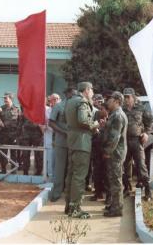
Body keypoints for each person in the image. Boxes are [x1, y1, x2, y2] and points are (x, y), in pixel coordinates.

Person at [64, 81, 99, 218]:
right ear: (86, 90)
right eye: (92, 90)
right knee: (79, 177)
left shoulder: (70, 101)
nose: (93, 93)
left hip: (72, 142)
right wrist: (96, 125)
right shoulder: (82, 102)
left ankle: (69, 206)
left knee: (71, 176)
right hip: (82, 143)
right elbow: (83, 120)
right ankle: (75, 209)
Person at [122, 88, 153, 201]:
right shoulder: (122, 109)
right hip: (125, 141)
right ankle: (127, 187)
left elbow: (150, 120)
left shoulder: (141, 108)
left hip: (137, 140)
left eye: (128, 97)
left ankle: (148, 191)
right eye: (125, 97)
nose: (126, 99)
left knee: (141, 165)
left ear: (133, 97)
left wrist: (146, 133)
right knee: (125, 165)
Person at [102, 91, 128, 217]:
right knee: (113, 179)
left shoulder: (118, 115)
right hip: (115, 152)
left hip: (115, 153)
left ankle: (117, 209)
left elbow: (115, 137)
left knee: (116, 180)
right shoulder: (114, 114)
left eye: (110, 100)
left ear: (117, 101)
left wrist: (107, 151)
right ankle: (114, 204)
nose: (108, 102)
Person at [49, 88, 76, 202]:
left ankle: (70, 193)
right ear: (67, 94)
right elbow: (51, 122)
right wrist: (63, 132)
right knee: (59, 168)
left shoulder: (77, 106)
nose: (75, 95)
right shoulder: (58, 106)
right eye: (73, 94)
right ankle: (56, 193)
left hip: (74, 142)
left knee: (73, 168)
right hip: (61, 142)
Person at [0, 92, 20, 174]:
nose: (4, 100)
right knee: (3, 153)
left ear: (11, 99)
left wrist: (17, 135)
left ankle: (13, 171)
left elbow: (19, 122)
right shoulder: (1, 108)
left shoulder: (16, 109)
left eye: (6, 98)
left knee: (14, 154)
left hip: (13, 135)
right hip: (4, 135)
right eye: (4, 98)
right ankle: (3, 170)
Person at [17, 110, 43, 175]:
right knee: (25, 154)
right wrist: (18, 136)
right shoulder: (25, 110)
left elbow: (42, 122)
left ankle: (38, 171)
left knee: (38, 154)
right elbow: (20, 124)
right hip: (26, 135)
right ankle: (25, 171)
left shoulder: (38, 109)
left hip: (37, 134)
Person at [44, 93, 61, 179]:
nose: (55, 101)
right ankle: (50, 178)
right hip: (50, 139)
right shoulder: (47, 111)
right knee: (50, 160)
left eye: (57, 99)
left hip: (61, 139)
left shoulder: (63, 110)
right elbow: (46, 124)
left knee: (60, 161)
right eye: (53, 100)